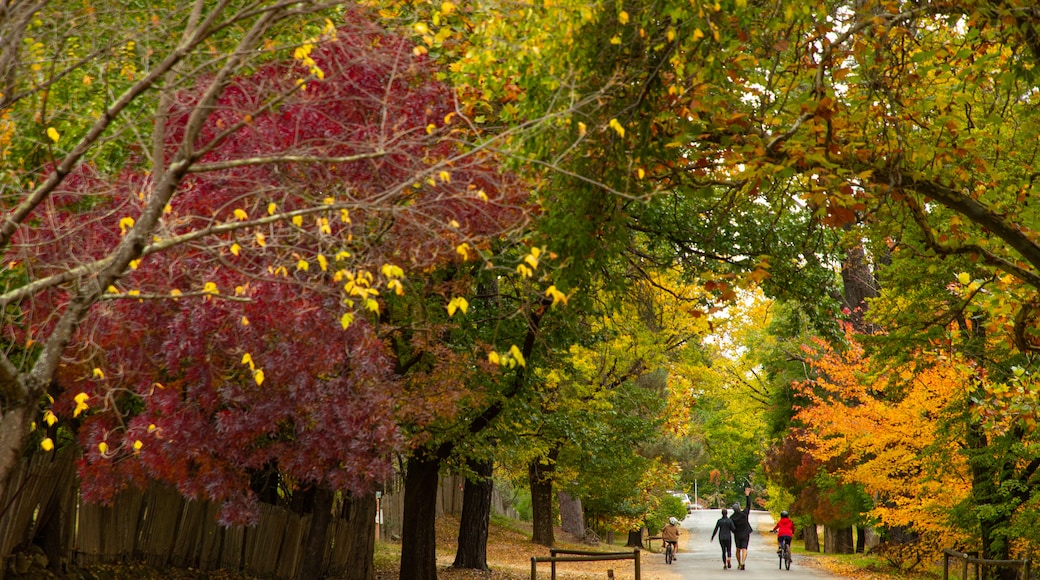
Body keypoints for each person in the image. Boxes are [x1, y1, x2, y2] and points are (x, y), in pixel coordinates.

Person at [729, 487, 753, 569]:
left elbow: (731, 527)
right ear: (739, 508)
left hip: (737, 534)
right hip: (745, 533)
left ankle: (739, 563)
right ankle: (743, 561)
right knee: (744, 548)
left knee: (738, 549)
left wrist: (734, 531)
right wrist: (747, 495)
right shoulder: (744, 514)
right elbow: (748, 505)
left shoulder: (732, 517)